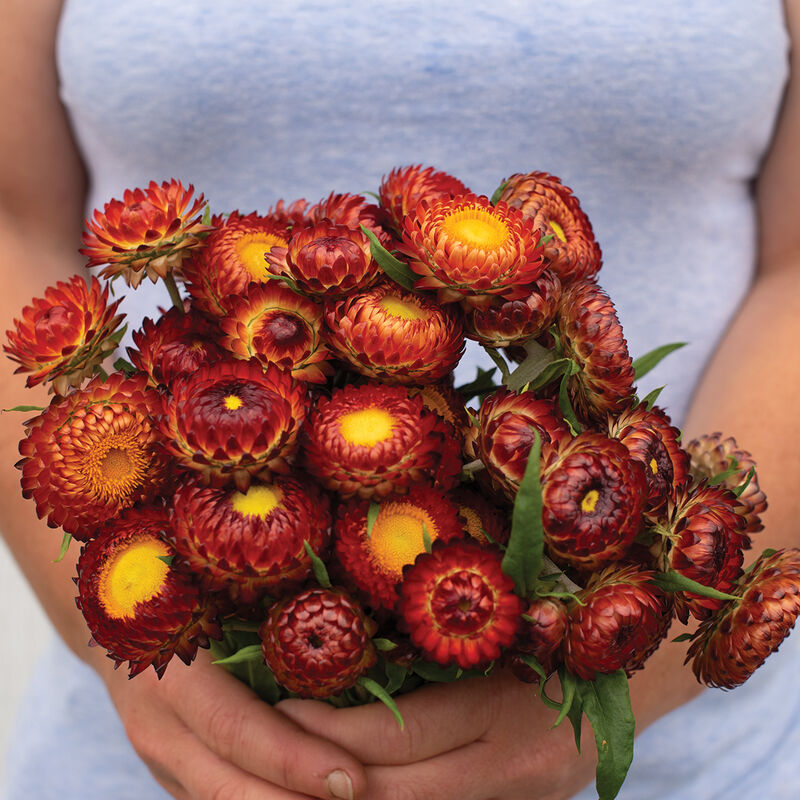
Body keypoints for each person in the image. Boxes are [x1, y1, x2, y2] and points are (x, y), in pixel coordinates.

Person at [1, 1, 798, 798]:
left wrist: (623, 676)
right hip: (140, 760)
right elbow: (12, 218)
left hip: (696, 765)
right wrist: (128, 655)